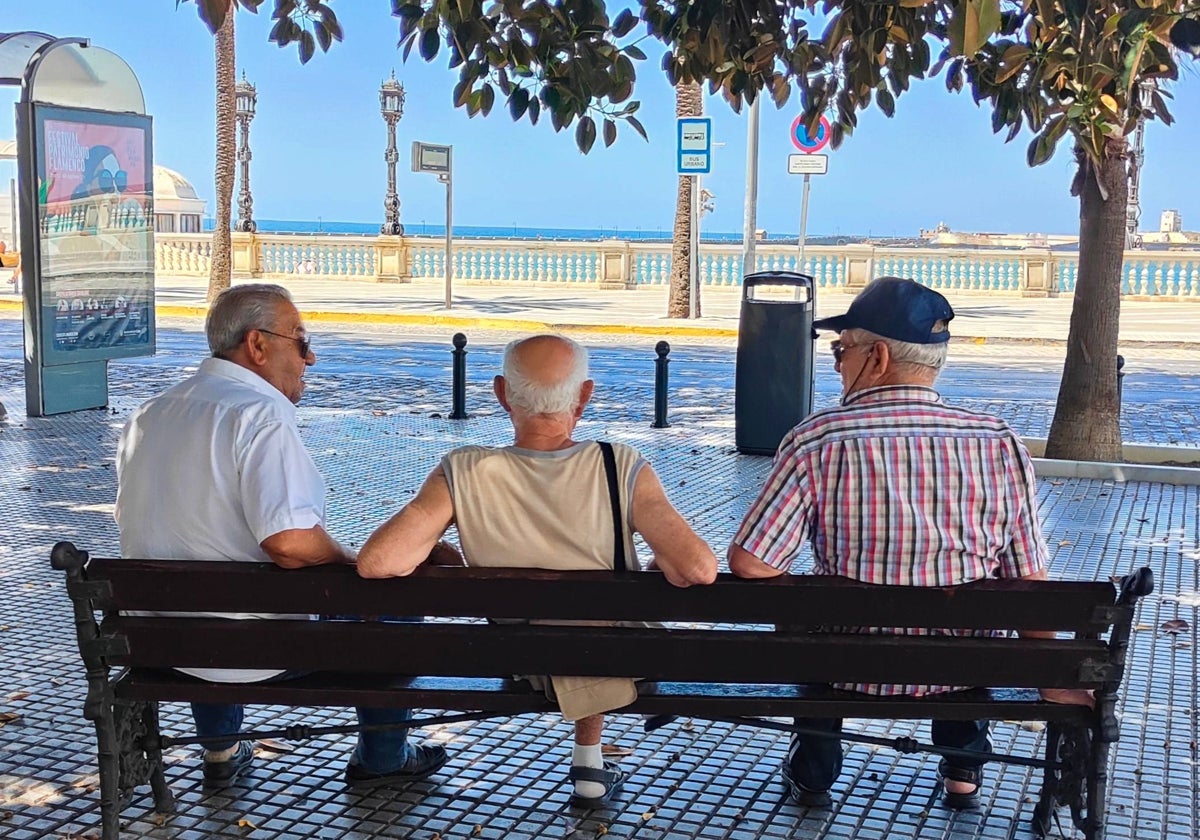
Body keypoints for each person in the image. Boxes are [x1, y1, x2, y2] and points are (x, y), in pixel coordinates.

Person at [727, 277, 1092, 810]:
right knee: (972, 632)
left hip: (847, 664)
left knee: (811, 627)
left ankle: (815, 767)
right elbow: (1026, 581)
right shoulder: (999, 442)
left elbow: (752, 563)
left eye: (840, 349)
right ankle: (964, 766)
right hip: (959, 669)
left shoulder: (818, 439)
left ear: (875, 357)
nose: (835, 363)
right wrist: (1053, 671)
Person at [358, 334, 718, 808]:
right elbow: (700, 568)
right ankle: (589, 760)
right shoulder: (619, 465)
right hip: (613, 658)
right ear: (584, 395)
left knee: (576, 626)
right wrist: (656, 568)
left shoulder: (464, 471)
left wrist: (443, 555)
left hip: (521, 659)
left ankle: (590, 754)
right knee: (601, 617)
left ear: (502, 393)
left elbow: (378, 561)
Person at [115, 283, 446, 790]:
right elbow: (289, 542)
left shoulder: (148, 414)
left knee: (209, 578)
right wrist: (350, 559)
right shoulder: (259, 414)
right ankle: (384, 756)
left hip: (163, 643)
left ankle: (221, 749)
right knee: (394, 595)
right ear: (257, 345)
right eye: (301, 339)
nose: (310, 358)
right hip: (257, 650)